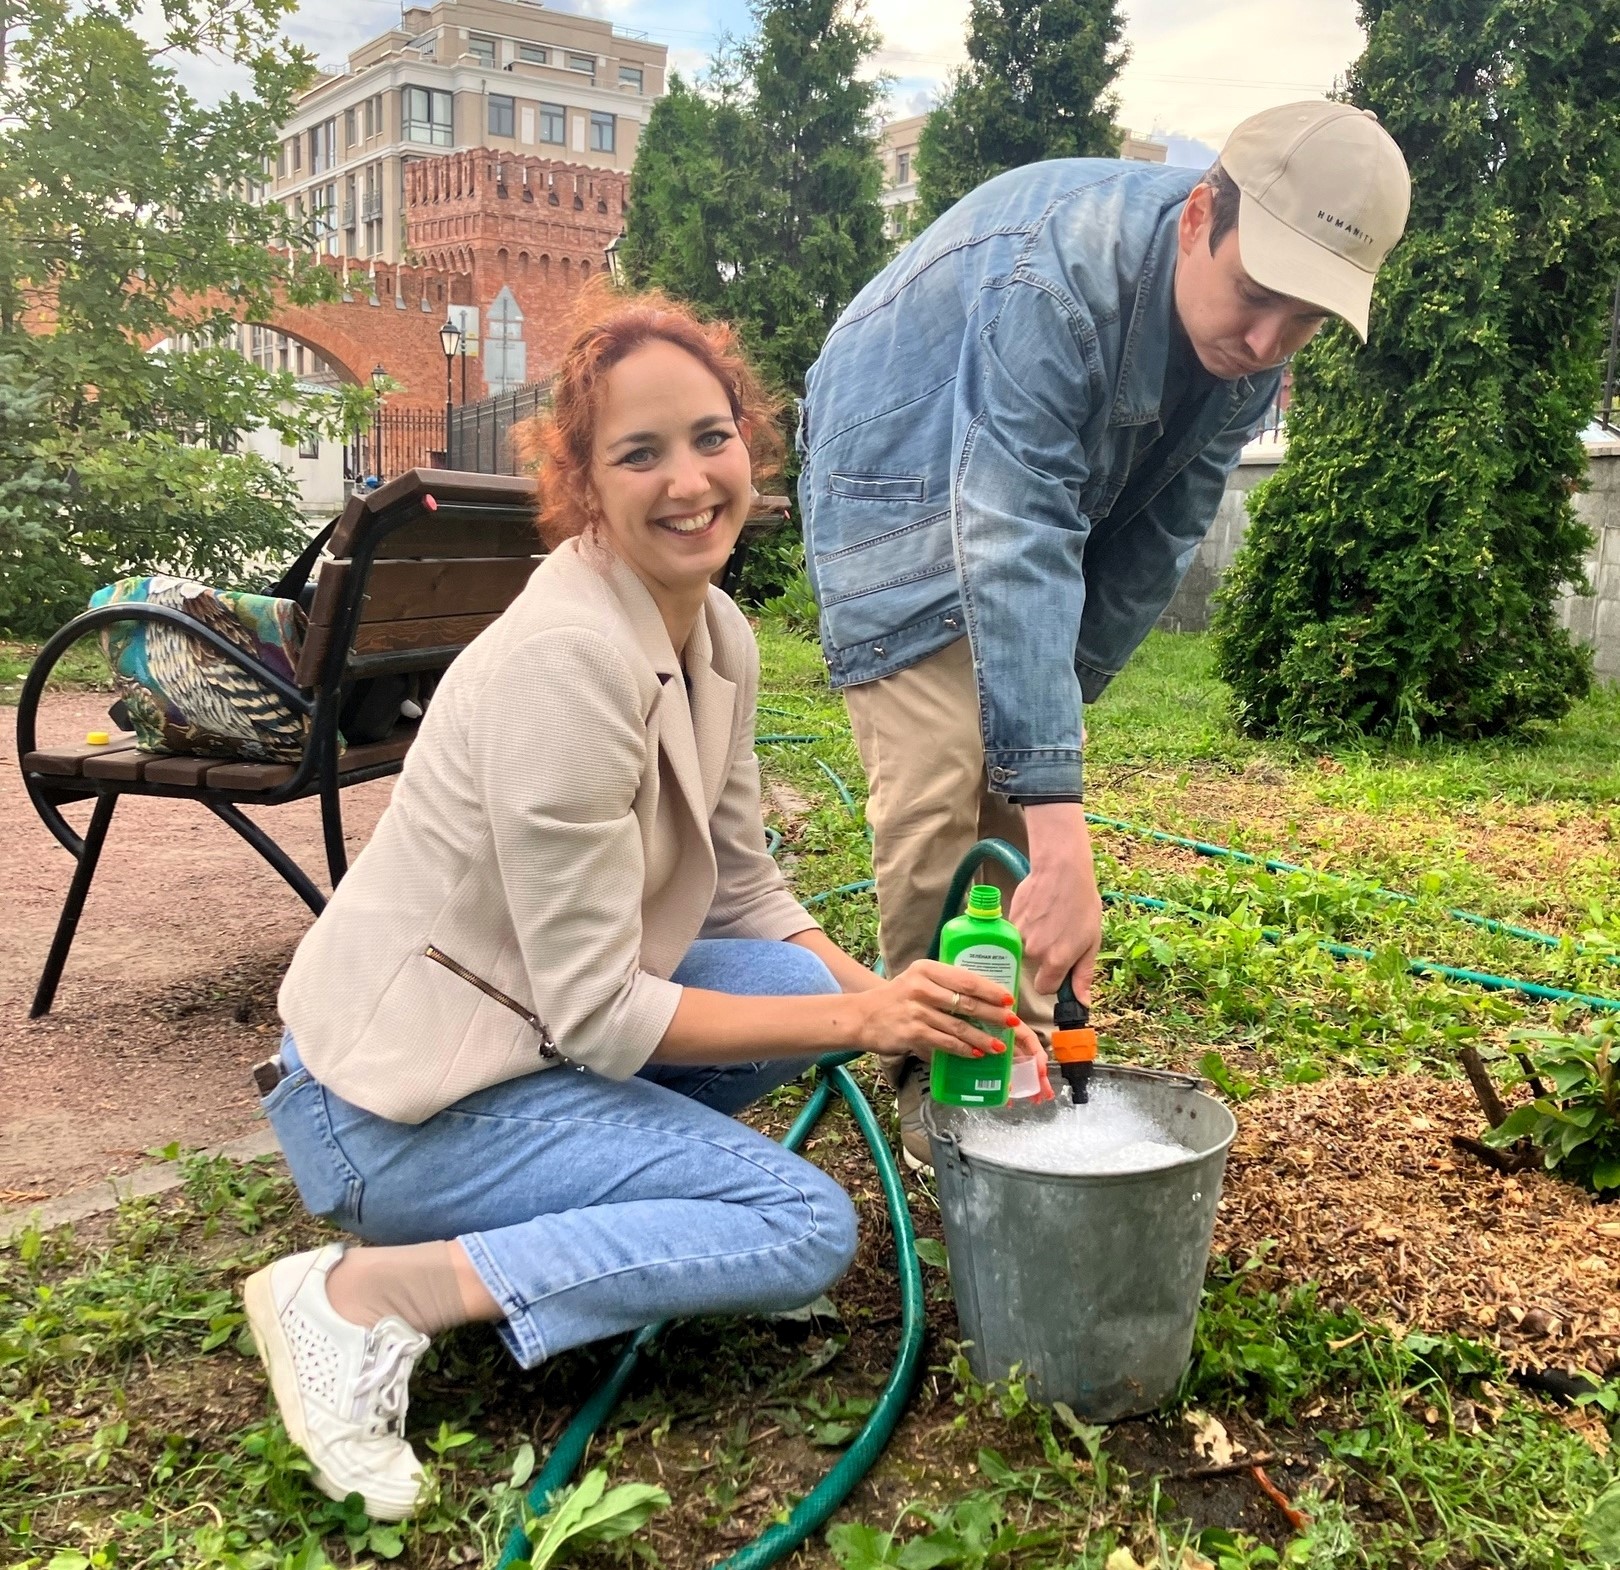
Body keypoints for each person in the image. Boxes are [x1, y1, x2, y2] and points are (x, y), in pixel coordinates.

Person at [242, 287, 1041, 1522]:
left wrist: (881, 993)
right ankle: (360, 1295)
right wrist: (868, 1023)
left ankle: (630, 1216)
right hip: (387, 1109)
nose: (688, 480)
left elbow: (742, 881)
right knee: (797, 1225)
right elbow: (605, 1017)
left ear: (750, 445)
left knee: (790, 980)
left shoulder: (714, 630)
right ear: (585, 483)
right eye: (640, 453)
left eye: (710, 437)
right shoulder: (565, 660)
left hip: (518, 1042)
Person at [797, 100, 1412, 1167]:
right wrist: (1061, 823)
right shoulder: (1057, 276)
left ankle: (1017, 1046)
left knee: (1015, 775)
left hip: (1008, 499)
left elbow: (1159, 539)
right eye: (1258, 295)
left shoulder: (1248, 356)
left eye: (1304, 318)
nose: (1270, 342)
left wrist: (1048, 750)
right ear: (1198, 218)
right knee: (944, 773)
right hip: (889, 458)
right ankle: (932, 1085)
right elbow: (1013, 527)